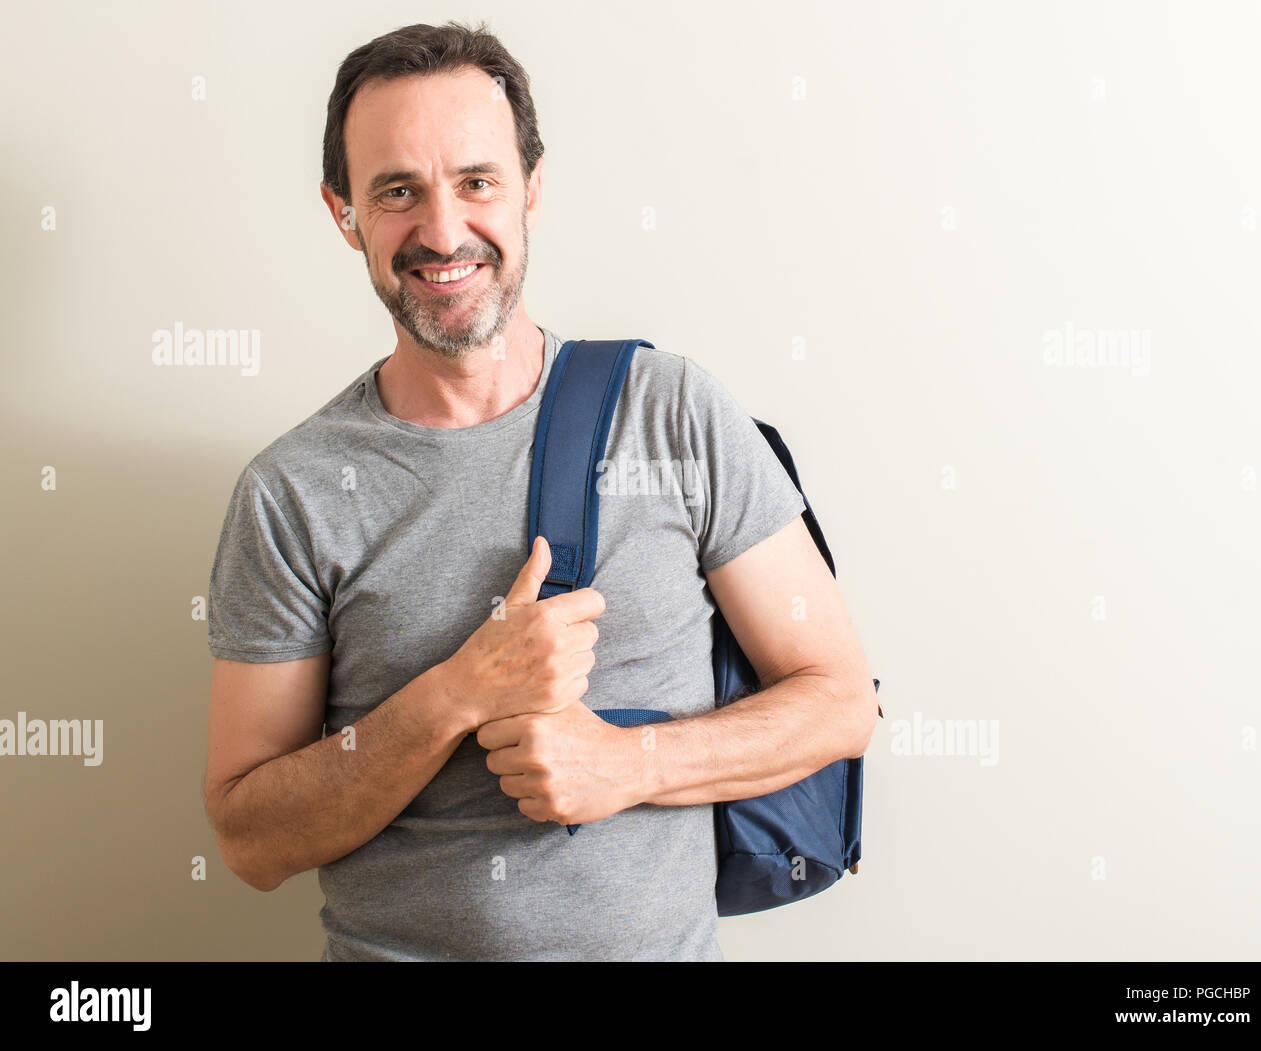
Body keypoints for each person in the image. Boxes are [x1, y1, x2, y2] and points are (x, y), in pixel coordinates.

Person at [202, 20, 876, 962]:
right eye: (398, 191)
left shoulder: (671, 411)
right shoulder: (293, 491)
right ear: (343, 211)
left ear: (533, 189)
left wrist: (626, 764)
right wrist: (453, 696)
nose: (442, 232)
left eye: (477, 181)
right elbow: (250, 838)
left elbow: (841, 701)